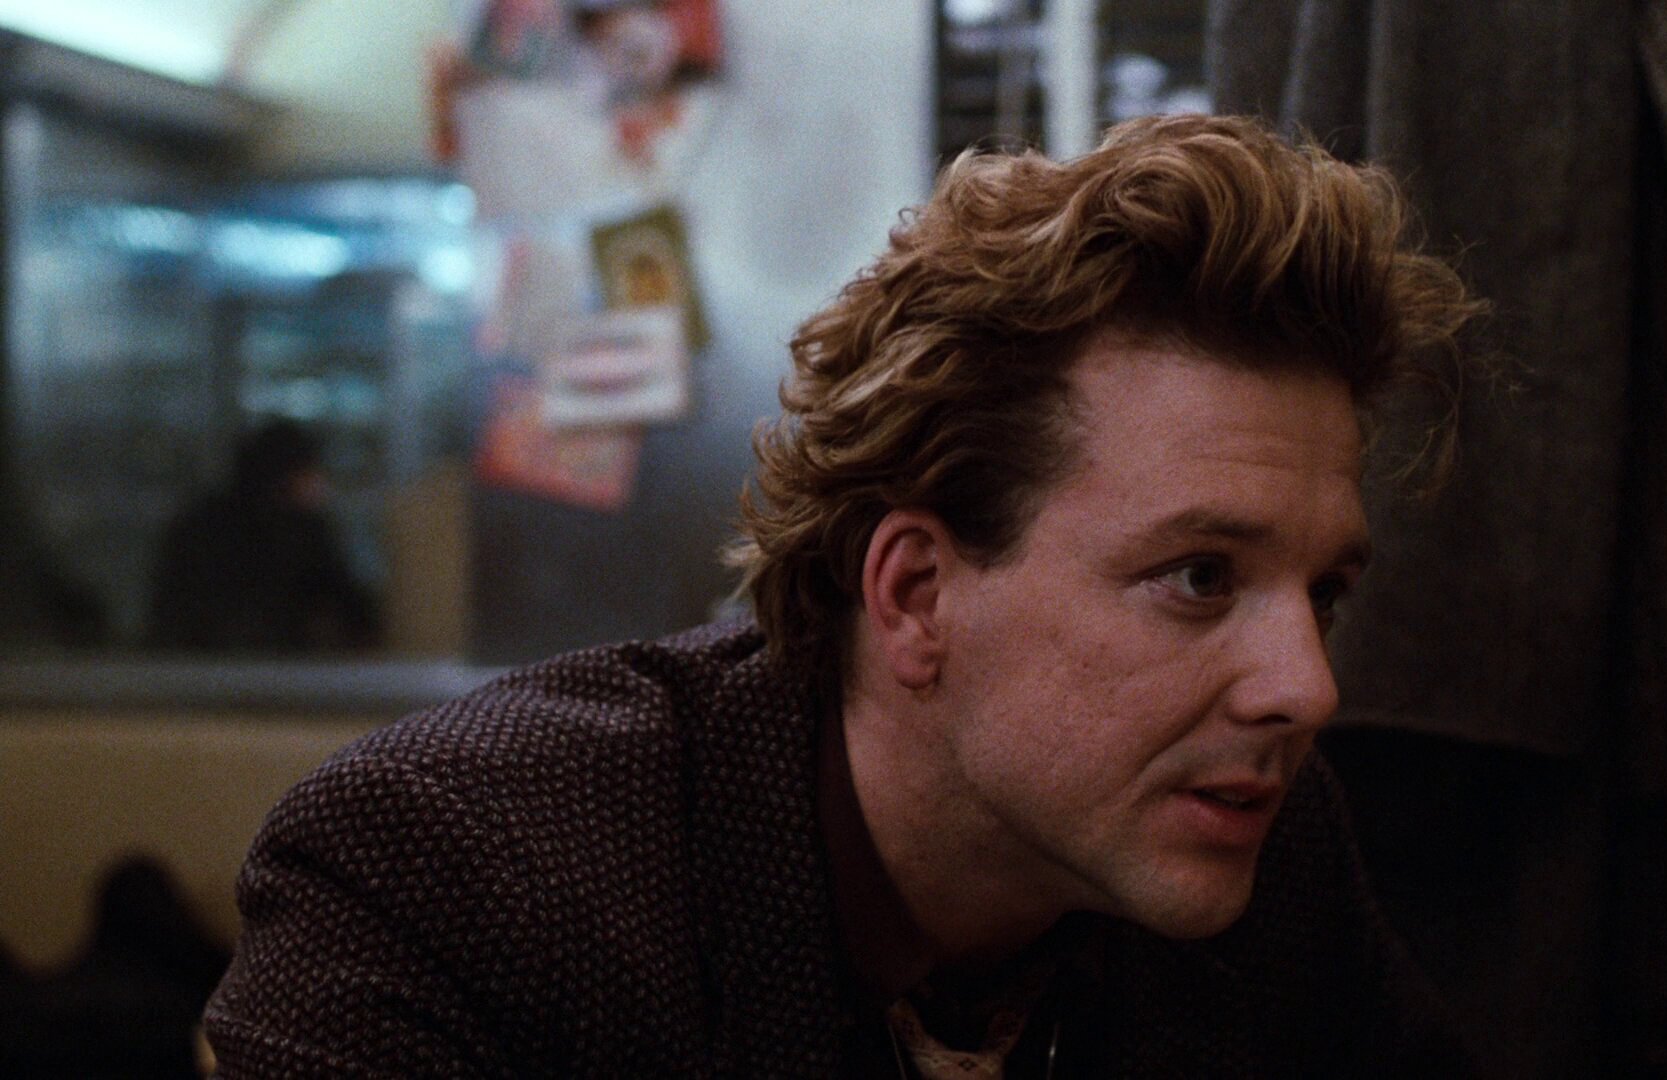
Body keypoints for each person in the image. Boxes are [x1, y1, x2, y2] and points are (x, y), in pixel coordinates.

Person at [204, 114, 1485, 1076]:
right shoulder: (465, 876)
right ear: (916, 594)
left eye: (1323, 593)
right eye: (1199, 578)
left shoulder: (1268, 870)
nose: (1306, 690)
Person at [147, 418, 379, 653]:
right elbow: (348, 605)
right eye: (310, 472)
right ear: (290, 474)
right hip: (268, 664)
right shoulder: (297, 530)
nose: (318, 483)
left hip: (196, 666)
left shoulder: (199, 522)